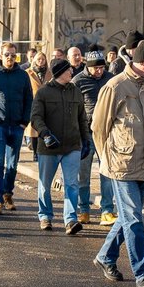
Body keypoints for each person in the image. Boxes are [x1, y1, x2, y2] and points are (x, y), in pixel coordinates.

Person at [91, 40, 144, 287]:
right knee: (134, 220)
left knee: (126, 218)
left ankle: (105, 256)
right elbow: (98, 127)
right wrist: (106, 159)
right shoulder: (115, 86)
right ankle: (142, 274)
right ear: (142, 62)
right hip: (121, 165)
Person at [29, 58, 90, 235]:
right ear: (60, 73)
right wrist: (45, 134)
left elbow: (82, 118)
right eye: (68, 70)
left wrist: (85, 140)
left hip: (72, 146)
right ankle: (45, 216)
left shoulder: (76, 92)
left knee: (71, 184)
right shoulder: (43, 93)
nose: (72, 72)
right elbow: (36, 118)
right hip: (49, 147)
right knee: (45, 185)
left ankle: (70, 220)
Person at [0, 42, 33, 215]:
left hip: (17, 125)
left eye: (13, 55)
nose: (10, 58)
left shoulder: (23, 76)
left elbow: (29, 99)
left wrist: (24, 122)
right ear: (0, 56)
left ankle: (7, 194)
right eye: (7, 55)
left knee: (12, 165)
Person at [73, 51, 117, 225]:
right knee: (83, 174)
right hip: (85, 134)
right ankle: (83, 209)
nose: (99, 71)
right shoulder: (78, 81)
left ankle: (107, 209)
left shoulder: (111, 79)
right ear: (88, 67)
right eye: (95, 68)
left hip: (106, 133)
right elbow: (73, 107)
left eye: (101, 67)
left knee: (107, 172)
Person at [23, 50, 49, 158]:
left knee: (44, 127)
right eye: (39, 59)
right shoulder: (28, 72)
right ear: (34, 60)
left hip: (46, 103)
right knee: (33, 129)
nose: (41, 61)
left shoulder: (49, 72)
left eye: (43, 59)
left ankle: (42, 150)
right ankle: (35, 153)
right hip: (33, 102)